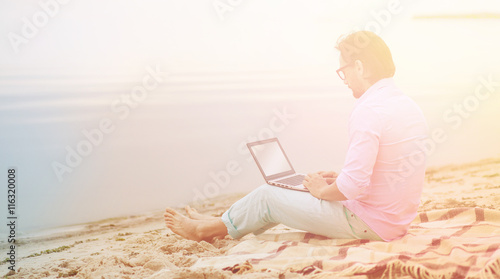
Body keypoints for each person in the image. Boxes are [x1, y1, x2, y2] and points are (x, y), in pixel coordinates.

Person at [164, 30, 428, 242]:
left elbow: (352, 187)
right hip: (394, 220)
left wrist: (323, 191)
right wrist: (337, 181)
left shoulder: (368, 111)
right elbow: (388, 170)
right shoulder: (406, 105)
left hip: (370, 223)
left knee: (269, 196)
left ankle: (203, 231)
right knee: (287, 191)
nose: (343, 79)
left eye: (343, 71)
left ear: (359, 67)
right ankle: (220, 222)